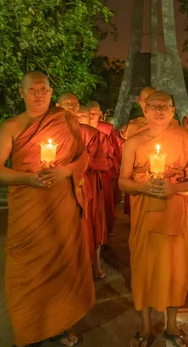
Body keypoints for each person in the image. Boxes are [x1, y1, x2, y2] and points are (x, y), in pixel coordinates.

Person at [0, 71, 93, 347]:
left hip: (62, 207)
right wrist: (27, 179)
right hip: (29, 210)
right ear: (21, 93)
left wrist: (66, 171)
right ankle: (30, 332)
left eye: (43, 90)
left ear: (51, 91)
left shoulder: (65, 120)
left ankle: (59, 327)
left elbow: (84, 156)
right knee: (25, 270)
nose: (38, 95)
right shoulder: (11, 127)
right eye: (32, 90)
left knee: (63, 266)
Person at [120, 91, 188, 347]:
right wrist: (142, 187)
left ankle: (172, 325)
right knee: (144, 268)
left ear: (173, 111)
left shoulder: (187, 140)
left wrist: (172, 189)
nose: (159, 110)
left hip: (174, 211)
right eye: (154, 106)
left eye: (165, 106)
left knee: (175, 269)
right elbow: (123, 181)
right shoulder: (133, 142)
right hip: (144, 214)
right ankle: (146, 327)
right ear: (145, 110)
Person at [76, 105, 113, 279]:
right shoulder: (60, 134)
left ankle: (96, 265)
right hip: (67, 185)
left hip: (90, 184)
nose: (79, 119)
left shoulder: (98, 135)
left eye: (82, 116)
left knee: (93, 224)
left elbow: (107, 162)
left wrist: (82, 163)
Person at [87, 101, 122, 234]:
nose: (91, 116)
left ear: (100, 114)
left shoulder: (106, 129)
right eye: (89, 113)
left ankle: (105, 233)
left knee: (105, 203)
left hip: (104, 171)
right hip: (84, 172)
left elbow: (116, 148)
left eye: (94, 113)